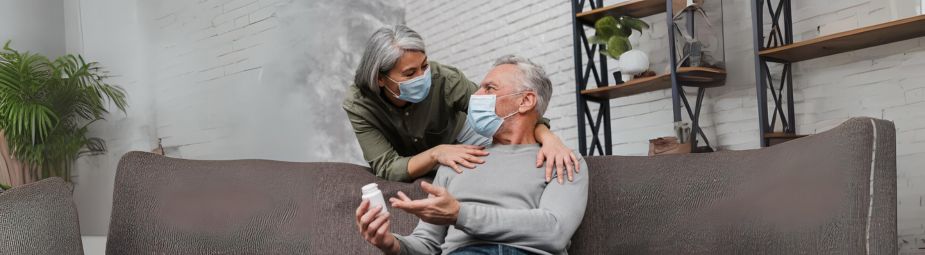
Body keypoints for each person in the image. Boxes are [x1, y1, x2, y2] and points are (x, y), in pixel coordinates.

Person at [354, 55, 589, 255]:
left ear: (526, 101)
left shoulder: (563, 159)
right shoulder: (457, 160)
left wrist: (460, 214)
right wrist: (390, 243)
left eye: (489, 88)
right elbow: (426, 244)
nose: (476, 95)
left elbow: (554, 231)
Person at [342, 25, 580, 183]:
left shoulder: (444, 79)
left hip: (463, 134)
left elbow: (511, 113)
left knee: (518, 147)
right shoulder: (359, 105)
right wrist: (437, 153)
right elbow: (387, 167)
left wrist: (551, 140)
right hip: (419, 156)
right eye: (409, 73)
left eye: (424, 66)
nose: (422, 76)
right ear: (380, 78)